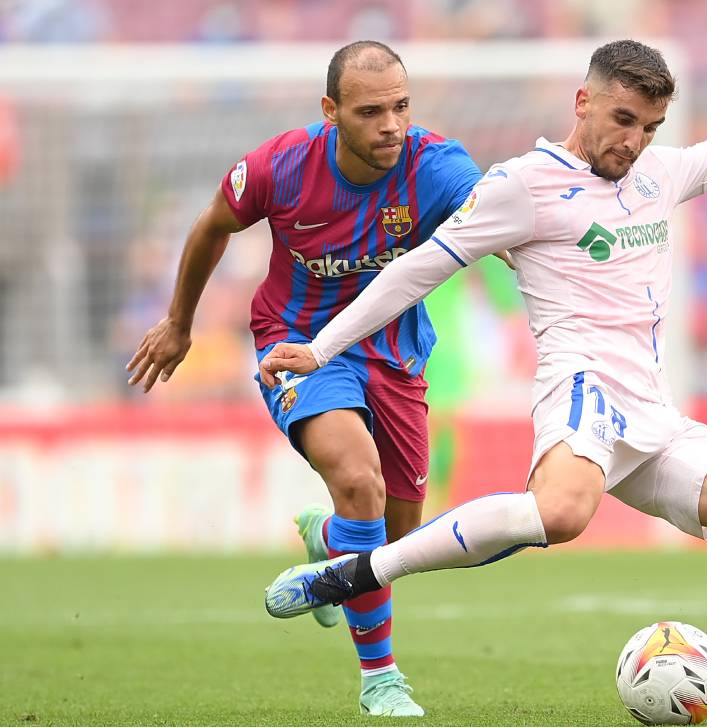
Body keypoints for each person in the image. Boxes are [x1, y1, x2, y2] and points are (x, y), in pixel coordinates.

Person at [259, 40, 707, 720]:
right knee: (564, 514)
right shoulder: (523, 186)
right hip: (582, 396)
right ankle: (356, 571)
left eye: (651, 128)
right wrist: (320, 348)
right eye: (624, 119)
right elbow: (419, 269)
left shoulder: (661, 174)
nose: (634, 141)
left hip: (654, 415)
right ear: (584, 102)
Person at [125, 40, 491, 718]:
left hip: (394, 353)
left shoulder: (437, 168)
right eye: (371, 110)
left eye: (402, 107)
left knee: (397, 535)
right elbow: (212, 227)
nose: (391, 125)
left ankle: (330, 542)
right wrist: (179, 322)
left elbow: (504, 222)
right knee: (359, 480)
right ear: (331, 111)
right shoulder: (284, 166)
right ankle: (381, 679)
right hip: (295, 349)